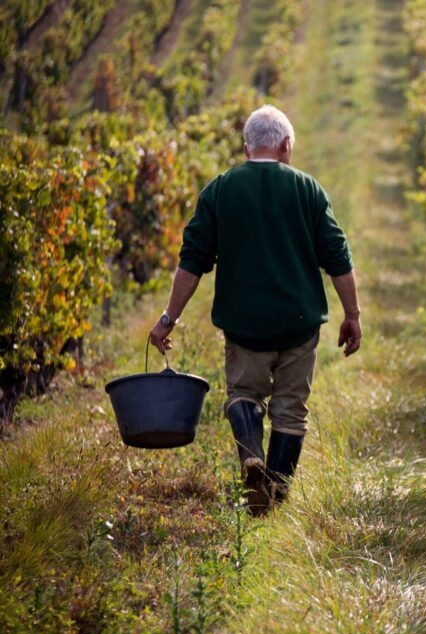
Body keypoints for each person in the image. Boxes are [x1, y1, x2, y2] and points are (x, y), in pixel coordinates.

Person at [149, 104, 362, 515]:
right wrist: (352, 314)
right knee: (290, 410)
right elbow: (338, 257)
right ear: (285, 145)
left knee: (244, 394)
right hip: (298, 325)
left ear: (247, 148)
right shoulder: (308, 189)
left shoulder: (220, 190)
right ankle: (275, 500)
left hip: (244, 325)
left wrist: (167, 320)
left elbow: (192, 262)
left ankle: (251, 454)